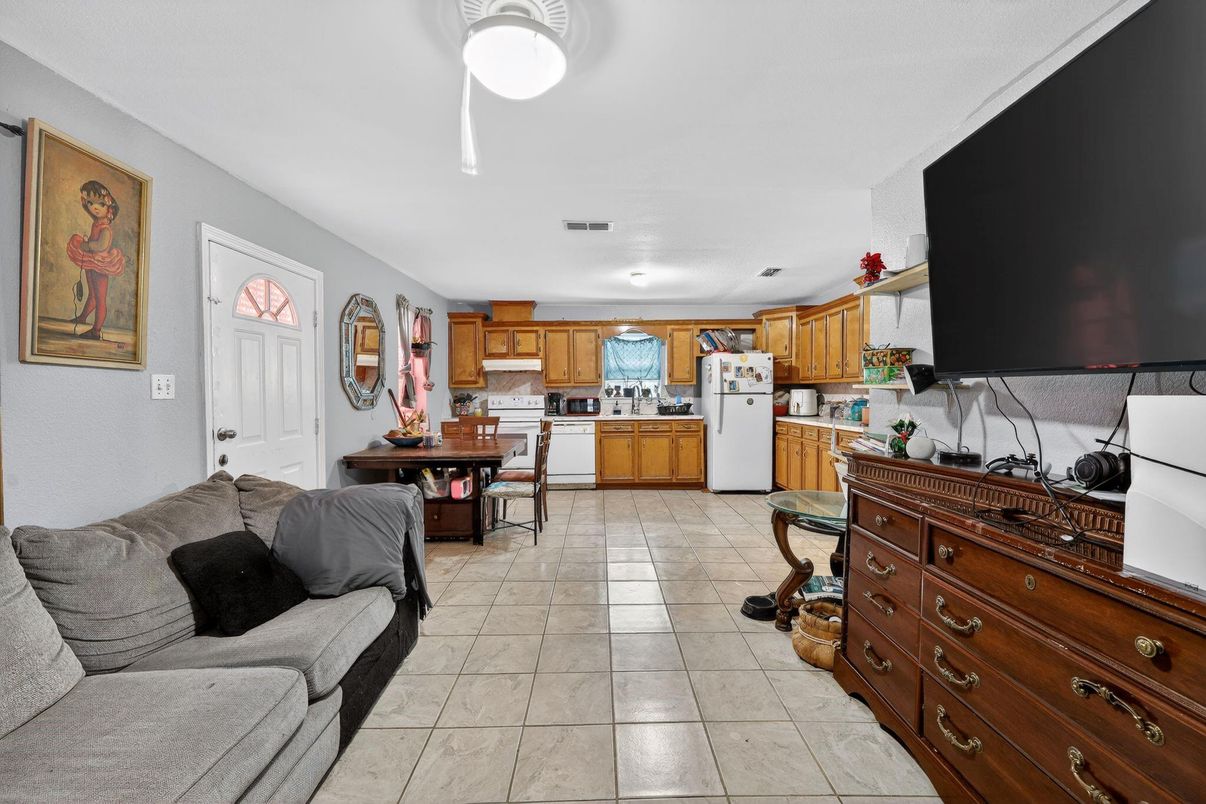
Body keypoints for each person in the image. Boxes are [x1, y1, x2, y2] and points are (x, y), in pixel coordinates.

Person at [66, 180, 126, 340]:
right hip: (93, 263)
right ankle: (83, 317)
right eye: (90, 203)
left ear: (109, 207)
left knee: (100, 298)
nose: (94, 207)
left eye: (100, 204)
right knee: (92, 294)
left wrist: (86, 245)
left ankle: (96, 331)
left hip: (101, 265)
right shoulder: (97, 222)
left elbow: (101, 246)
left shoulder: (105, 228)